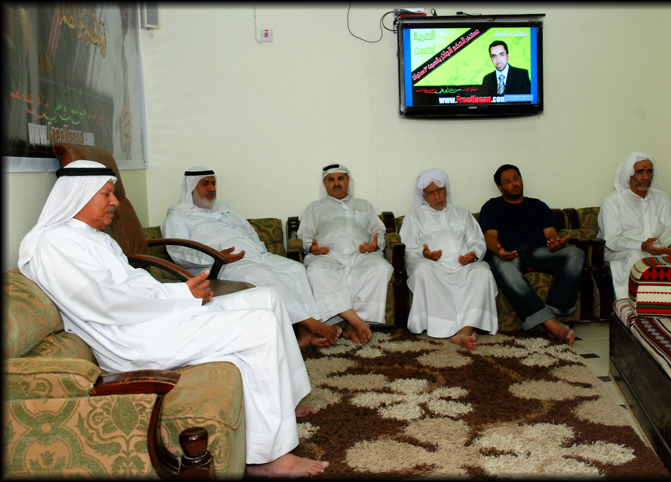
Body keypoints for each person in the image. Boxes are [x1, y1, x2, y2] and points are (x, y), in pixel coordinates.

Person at [17, 160, 328, 478]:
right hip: (132, 340)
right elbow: (107, 302)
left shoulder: (95, 237)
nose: (114, 202)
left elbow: (133, 287)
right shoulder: (52, 244)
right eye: (106, 194)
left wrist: (183, 294)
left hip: (150, 319)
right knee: (260, 325)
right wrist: (182, 296)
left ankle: (285, 403)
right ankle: (267, 459)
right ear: (79, 195)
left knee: (266, 297)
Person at [161, 166, 342, 348]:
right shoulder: (178, 214)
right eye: (205, 184)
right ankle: (313, 325)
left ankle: (303, 335)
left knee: (296, 269)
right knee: (263, 275)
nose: (211, 188)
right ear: (191, 187)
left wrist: (259, 251)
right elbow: (178, 250)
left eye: (213, 184)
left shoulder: (223, 208)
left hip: (254, 255)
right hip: (220, 264)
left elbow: (249, 230)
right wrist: (216, 255)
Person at [479, 164, 584, 346]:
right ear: (500, 187)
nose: (514, 184)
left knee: (575, 254)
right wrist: (499, 250)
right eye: (508, 181)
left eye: (516, 178)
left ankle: (553, 313)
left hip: (538, 252)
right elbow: (490, 236)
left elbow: (550, 233)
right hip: (510, 253)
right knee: (501, 265)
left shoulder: (537, 205)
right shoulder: (492, 206)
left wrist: (556, 242)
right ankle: (552, 324)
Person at [399, 168, 498, 350]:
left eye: (440, 190)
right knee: (422, 270)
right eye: (431, 192)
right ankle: (459, 329)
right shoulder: (414, 217)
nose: (437, 196)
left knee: (483, 272)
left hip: (463, 266)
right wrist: (424, 254)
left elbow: (477, 241)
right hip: (434, 267)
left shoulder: (462, 213)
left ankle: (464, 331)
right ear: (424, 196)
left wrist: (473, 255)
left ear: (446, 189)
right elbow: (407, 247)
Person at [297, 164, 393, 346]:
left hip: (361, 254)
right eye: (331, 180)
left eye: (340, 178)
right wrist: (311, 247)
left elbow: (378, 230)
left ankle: (353, 325)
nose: (336, 183)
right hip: (328, 255)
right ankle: (358, 323)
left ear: (348, 180)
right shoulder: (314, 208)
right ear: (325, 183)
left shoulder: (364, 205)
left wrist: (375, 244)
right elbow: (305, 234)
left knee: (382, 268)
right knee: (316, 271)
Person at [598, 152, 671, 300]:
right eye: (640, 171)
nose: (646, 177)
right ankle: (640, 304)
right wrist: (642, 246)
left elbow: (669, 232)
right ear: (628, 175)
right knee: (637, 258)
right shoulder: (612, 202)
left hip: (658, 249)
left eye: (649, 171)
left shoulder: (661, 198)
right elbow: (612, 240)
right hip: (622, 251)